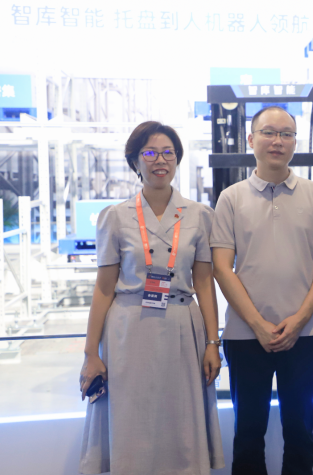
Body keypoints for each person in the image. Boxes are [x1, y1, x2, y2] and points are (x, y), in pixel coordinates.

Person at [78, 121, 225, 475]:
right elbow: (104, 288)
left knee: (182, 422)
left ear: (177, 159)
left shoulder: (200, 216)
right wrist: (90, 353)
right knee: (132, 419)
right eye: (150, 153)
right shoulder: (115, 217)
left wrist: (212, 343)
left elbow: (204, 284)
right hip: (129, 330)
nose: (160, 160)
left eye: (168, 152)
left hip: (182, 326)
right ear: (135, 161)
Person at [210, 106, 313, 475]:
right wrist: (257, 324)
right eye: (268, 132)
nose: (277, 141)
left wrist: (299, 320)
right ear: (251, 140)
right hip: (245, 335)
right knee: (249, 434)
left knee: (300, 431)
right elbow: (221, 267)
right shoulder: (231, 198)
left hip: (304, 333)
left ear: (295, 142)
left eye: (286, 134)